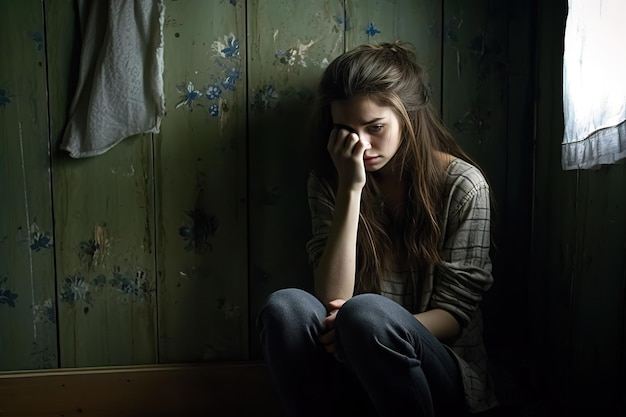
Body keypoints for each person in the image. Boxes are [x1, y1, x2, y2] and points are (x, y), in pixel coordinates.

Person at [257, 41, 497, 417]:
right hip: (350, 365)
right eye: (345, 130)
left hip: (438, 372)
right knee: (286, 307)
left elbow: (453, 317)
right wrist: (351, 188)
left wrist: (364, 330)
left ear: (409, 117)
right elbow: (331, 294)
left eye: (375, 127)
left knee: (365, 313)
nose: (361, 145)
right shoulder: (329, 180)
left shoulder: (463, 185)